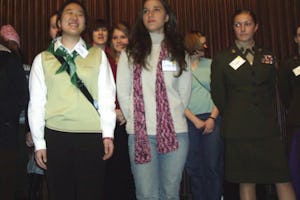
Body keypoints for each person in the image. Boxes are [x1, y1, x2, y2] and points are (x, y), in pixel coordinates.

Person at [28, 1, 116, 200]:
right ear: (59, 22)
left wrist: (108, 133)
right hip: (56, 136)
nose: (74, 17)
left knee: (91, 193)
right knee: (60, 193)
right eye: (69, 13)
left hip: (91, 136)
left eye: (80, 14)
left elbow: (107, 96)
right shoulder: (43, 59)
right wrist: (39, 142)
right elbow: (36, 104)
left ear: (85, 24)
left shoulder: (98, 56)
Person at [210, 9, 296, 200]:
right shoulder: (222, 58)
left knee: (282, 177)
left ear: (256, 27)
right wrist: (236, 114)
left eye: (247, 23)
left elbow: (274, 90)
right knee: (246, 180)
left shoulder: (268, 56)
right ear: (233, 28)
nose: (242, 28)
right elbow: (218, 94)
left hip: (267, 128)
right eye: (238, 24)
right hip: (239, 129)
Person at [117, 0, 191, 199]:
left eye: (156, 10)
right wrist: (134, 119)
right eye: (146, 11)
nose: (150, 14)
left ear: (167, 16)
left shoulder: (179, 52)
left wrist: (170, 116)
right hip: (141, 134)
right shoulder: (130, 52)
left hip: (175, 132)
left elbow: (184, 94)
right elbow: (123, 92)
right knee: (146, 194)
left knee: (170, 193)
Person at [184, 31, 223, 200]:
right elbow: (174, 98)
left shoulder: (211, 64)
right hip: (188, 120)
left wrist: (212, 118)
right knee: (194, 167)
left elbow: (220, 94)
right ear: (192, 44)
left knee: (213, 165)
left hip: (211, 119)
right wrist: (194, 120)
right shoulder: (178, 67)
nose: (206, 47)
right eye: (202, 44)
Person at [101, 22, 136, 200]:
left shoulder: (136, 60)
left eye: (123, 36)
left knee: (130, 168)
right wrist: (114, 110)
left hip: (131, 119)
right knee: (111, 168)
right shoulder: (104, 60)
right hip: (110, 121)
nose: (119, 40)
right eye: (115, 37)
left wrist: (125, 110)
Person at [0, 25, 28, 200]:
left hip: (7, 130)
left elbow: (21, 95)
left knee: (8, 179)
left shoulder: (8, 60)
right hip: (8, 127)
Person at [278, 25, 300, 200]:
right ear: (295, 39)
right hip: (297, 122)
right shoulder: (289, 64)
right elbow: (285, 94)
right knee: (296, 165)